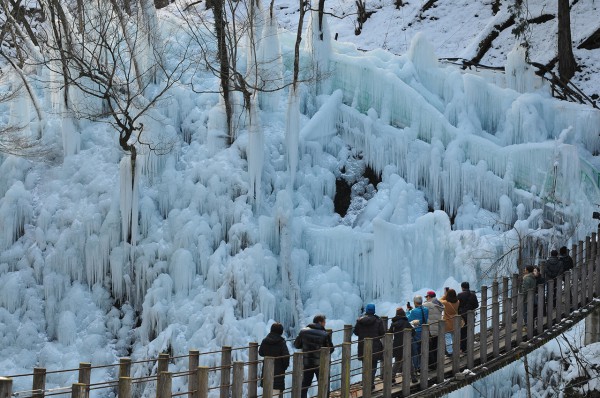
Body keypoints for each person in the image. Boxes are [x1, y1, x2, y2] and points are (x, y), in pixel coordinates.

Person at [293, 315, 334, 398]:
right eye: (324, 322)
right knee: (323, 383)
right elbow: (331, 349)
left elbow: (296, 345)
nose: (325, 324)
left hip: (307, 363)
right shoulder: (325, 334)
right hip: (320, 363)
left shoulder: (303, 332)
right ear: (320, 322)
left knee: (305, 384)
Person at [353, 303, 385, 388]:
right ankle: (371, 383)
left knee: (365, 365)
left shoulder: (360, 321)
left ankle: (365, 383)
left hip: (363, 346)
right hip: (375, 346)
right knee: (373, 366)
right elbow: (382, 333)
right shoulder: (378, 320)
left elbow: (356, 332)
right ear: (374, 311)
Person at [259, 322, 290, 397]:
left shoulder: (265, 341)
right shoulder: (281, 342)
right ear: (281, 332)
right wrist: (284, 367)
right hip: (278, 375)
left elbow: (261, 353)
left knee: (267, 394)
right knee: (276, 394)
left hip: (266, 372)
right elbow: (286, 356)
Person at [388, 307, 414, 383]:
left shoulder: (393, 324)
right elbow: (413, 332)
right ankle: (413, 377)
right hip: (406, 344)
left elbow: (389, 333)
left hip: (397, 345)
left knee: (397, 361)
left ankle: (392, 377)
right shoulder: (406, 323)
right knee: (409, 360)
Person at [406, 295, 428, 380]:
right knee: (422, 350)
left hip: (416, 332)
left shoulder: (414, 311)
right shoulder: (426, 309)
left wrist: (408, 311)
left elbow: (408, 319)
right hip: (424, 331)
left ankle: (416, 367)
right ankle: (422, 366)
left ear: (415, 302)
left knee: (415, 351)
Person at [423, 290, 443, 369]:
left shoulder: (427, 305)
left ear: (429, 297)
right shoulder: (439, 304)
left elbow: (419, 308)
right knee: (435, 347)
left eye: (426, 297)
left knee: (429, 348)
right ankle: (436, 364)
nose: (426, 298)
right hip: (437, 329)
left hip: (430, 330)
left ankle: (431, 365)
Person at [457, 282, 479, 352]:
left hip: (462, 316)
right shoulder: (473, 295)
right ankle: (470, 346)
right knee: (470, 330)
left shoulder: (459, 295)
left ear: (462, 287)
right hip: (471, 315)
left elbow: (457, 306)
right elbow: (476, 305)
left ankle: (463, 348)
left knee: (463, 332)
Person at [440, 288, 461, 355]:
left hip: (447, 322)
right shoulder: (458, 302)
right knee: (454, 337)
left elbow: (439, 300)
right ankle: (456, 350)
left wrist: (445, 295)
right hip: (455, 321)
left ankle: (450, 352)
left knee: (448, 338)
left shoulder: (446, 303)